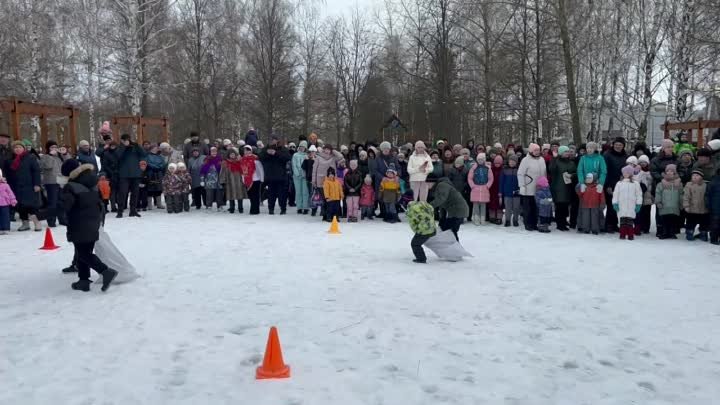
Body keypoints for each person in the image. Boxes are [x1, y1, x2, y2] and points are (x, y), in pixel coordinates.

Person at [59, 159, 118, 292]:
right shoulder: (92, 183)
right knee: (84, 251)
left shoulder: (72, 186)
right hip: (93, 221)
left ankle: (106, 271)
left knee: (83, 253)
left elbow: (63, 206)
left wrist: (40, 215)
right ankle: (83, 280)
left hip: (79, 223)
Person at [7, 141, 42, 231]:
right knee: (20, 205)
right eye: (15, 148)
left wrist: (37, 184)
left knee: (31, 205)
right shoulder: (10, 160)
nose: (17, 149)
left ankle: (36, 222)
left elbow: (36, 171)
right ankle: (25, 223)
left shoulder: (30, 157)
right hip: (16, 186)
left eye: (19, 147)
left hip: (29, 185)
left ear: (23, 148)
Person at [517, 143, 547, 231]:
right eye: (535, 150)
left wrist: (545, 184)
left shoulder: (542, 159)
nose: (537, 152)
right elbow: (520, 173)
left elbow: (544, 173)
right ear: (531, 151)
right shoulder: (525, 160)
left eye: (538, 150)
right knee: (528, 207)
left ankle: (534, 223)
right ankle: (528, 223)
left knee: (536, 207)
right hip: (528, 187)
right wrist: (521, 186)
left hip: (539, 188)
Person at [116, 134, 146, 218]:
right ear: (122, 140)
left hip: (135, 174)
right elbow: (118, 156)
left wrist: (137, 145)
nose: (127, 141)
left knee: (135, 193)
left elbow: (144, 154)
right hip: (124, 174)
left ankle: (133, 211)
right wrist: (124, 147)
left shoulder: (135, 147)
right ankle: (120, 211)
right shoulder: (120, 147)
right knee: (122, 193)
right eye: (125, 140)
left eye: (128, 139)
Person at [602, 137, 628, 233]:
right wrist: (607, 185)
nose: (618, 146)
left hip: (621, 183)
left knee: (618, 205)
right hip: (610, 183)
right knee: (610, 204)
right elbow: (605, 170)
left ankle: (614, 223)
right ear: (613, 144)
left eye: (620, 145)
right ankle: (608, 224)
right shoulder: (607, 155)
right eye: (616, 144)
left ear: (623, 146)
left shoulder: (625, 155)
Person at [259, 140, 291, 215]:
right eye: (271, 140)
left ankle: (283, 209)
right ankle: (271, 209)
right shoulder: (266, 149)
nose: (272, 142)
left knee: (282, 195)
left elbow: (287, 157)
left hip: (281, 176)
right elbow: (260, 157)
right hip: (270, 176)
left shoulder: (282, 149)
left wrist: (275, 153)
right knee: (271, 195)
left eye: (274, 140)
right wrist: (267, 153)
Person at [549, 145, 577, 231]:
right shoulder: (556, 161)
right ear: (561, 153)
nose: (567, 153)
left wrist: (572, 175)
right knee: (559, 206)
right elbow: (551, 170)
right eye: (565, 152)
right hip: (558, 187)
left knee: (565, 206)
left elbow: (576, 173)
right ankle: (559, 223)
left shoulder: (571, 163)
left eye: (568, 151)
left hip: (568, 187)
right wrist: (554, 159)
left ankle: (564, 221)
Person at [612, 165, 643, 240]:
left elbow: (639, 194)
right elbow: (615, 194)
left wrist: (638, 204)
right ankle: (622, 234)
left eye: (627, 173)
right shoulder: (619, 183)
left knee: (630, 221)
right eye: (624, 173)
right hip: (621, 205)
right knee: (622, 221)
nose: (625, 174)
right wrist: (615, 203)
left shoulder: (635, 184)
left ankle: (630, 235)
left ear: (631, 174)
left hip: (631, 206)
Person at [38, 140, 64, 227]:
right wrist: (50, 156)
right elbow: (48, 166)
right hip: (51, 182)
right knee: (52, 202)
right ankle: (51, 220)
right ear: (48, 148)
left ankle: (62, 219)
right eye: (52, 147)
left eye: (56, 147)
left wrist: (64, 154)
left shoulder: (59, 157)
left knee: (61, 201)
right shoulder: (45, 157)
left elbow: (68, 163)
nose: (54, 149)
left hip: (61, 181)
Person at [655, 164, 683, 239]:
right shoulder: (661, 183)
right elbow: (658, 193)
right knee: (664, 220)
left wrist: (681, 203)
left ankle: (672, 233)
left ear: (675, 172)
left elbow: (681, 194)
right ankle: (664, 232)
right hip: (664, 205)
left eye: (671, 171)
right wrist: (658, 202)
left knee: (673, 220)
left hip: (674, 205)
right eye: (668, 171)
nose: (669, 172)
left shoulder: (679, 184)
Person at [467, 153, 494, 225]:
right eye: (479, 159)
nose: (480, 161)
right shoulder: (473, 168)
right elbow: (470, 178)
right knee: (475, 205)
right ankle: (476, 218)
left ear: (484, 160)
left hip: (484, 188)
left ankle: (482, 219)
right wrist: (472, 186)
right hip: (475, 188)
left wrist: (487, 186)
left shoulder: (488, 168)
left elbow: (491, 178)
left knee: (483, 205)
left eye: (481, 159)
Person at [219, 148, 247, 214]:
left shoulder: (239, 161)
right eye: (231, 154)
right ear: (229, 155)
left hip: (238, 181)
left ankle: (240, 208)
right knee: (231, 196)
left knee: (240, 196)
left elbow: (244, 170)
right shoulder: (225, 162)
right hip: (229, 181)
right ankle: (232, 208)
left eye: (233, 154)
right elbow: (222, 172)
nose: (232, 155)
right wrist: (222, 180)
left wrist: (245, 179)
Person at [683, 170, 709, 241]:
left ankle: (703, 234)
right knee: (690, 222)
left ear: (701, 177)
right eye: (693, 175)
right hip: (692, 209)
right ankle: (689, 233)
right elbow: (686, 196)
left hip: (703, 209)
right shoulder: (689, 185)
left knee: (704, 223)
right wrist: (686, 205)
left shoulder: (706, 185)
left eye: (697, 176)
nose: (694, 177)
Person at [95, 136, 119, 212]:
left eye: (109, 140)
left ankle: (115, 205)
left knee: (114, 190)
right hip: (105, 171)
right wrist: (104, 147)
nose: (108, 141)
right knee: (104, 189)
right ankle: (105, 206)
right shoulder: (103, 148)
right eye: (107, 140)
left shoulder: (116, 149)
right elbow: (98, 153)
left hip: (116, 172)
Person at [200, 146, 224, 211]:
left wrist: (224, 179)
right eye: (212, 151)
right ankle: (208, 206)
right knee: (209, 195)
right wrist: (202, 180)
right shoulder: (206, 160)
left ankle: (220, 206)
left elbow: (223, 170)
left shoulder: (220, 159)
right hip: (209, 181)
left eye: (215, 151)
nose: (214, 153)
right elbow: (202, 171)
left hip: (218, 181)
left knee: (219, 195)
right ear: (210, 152)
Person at [499, 154, 520, 227]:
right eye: (511, 161)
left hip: (517, 192)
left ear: (516, 162)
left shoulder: (519, 170)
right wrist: (500, 192)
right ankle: (507, 220)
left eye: (514, 161)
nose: (512, 163)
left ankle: (515, 220)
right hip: (507, 192)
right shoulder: (504, 170)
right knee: (508, 207)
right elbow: (501, 182)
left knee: (516, 207)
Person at [240, 146, 262, 215]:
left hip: (255, 179)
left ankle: (255, 210)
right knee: (251, 196)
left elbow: (260, 169)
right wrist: (243, 178)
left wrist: (262, 178)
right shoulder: (242, 159)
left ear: (251, 151)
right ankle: (253, 209)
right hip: (247, 180)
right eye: (245, 150)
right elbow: (242, 171)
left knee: (255, 195)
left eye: (248, 150)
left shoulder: (255, 158)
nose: (246, 152)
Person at [636, 155, 654, 234]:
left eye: (644, 162)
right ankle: (639, 226)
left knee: (647, 212)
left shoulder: (650, 172)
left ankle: (646, 227)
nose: (643, 164)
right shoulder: (637, 172)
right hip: (639, 194)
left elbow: (651, 182)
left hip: (648, 194)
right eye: (641, 162)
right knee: (640, 212)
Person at [292, 141, 310, 214]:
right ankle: (299, 207)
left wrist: (306, 174)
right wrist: (297, 174)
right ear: (299, 147)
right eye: (301, 146)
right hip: (297, 177)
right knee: (298, 192)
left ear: (305, 148)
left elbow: (308, 166)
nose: (302, 148)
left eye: (304, 147)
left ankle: (305, 207)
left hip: (305, 176)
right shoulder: (295, 155)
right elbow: (294, 165)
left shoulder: (307, 155)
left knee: (305, 192)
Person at [487, 155, 503, 224]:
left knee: (499, 205)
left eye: (498, 163)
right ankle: (492, 217)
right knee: (492, 203)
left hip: (500, 189)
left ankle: (499, 217)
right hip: (492, 189)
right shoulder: (491, 170)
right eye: (496, 163)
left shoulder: (502, 170)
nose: (497, 165)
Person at [707, 168, 720, 245]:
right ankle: (714, 238)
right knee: (715, 224)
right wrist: (708, 205)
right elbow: (708, 195)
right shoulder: (713, 182)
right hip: (715, 208)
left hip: (715, 207)